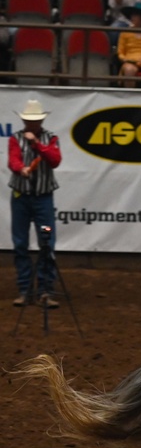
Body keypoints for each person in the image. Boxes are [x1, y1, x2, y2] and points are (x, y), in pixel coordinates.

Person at [8, 99, 62, 308]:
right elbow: (13, 160)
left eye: (35, 121)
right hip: (21, 198)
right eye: (29, 121)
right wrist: (20, 168)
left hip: (43, 200)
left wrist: (37, 144)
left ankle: (45, 290)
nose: (32, 124)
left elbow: (55, 160)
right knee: (20, 243)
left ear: (40, 121)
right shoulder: (15, 139)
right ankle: (24, 289)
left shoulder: (51, 139)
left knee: (46, 241)